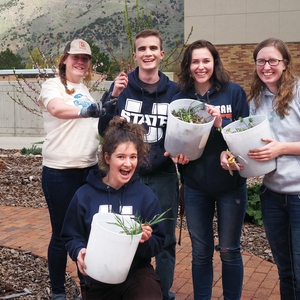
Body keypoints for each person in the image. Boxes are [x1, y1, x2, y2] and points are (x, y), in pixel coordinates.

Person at [98, 29, 179, 300]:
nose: (148, 53)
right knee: (123, 234)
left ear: (161, 54)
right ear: (135, 55)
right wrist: (111, 97)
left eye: (153, 48)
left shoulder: (174, 93)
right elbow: (103, 129)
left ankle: (162, 292)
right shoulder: (121, 87)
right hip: (126, 176)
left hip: (163, 176)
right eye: (142, 49)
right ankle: (124, 287)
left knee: (164, 240)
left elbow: (182, 134)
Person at [172, 40, 249, 300]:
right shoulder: (181, 98)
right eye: (195, 61)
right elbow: (174, 140)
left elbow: (245, 137)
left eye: (206, 60)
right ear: (188, 65)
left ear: (214, 62)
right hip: (195, 186)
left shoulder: (234, 93)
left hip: (231, 186)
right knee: (201, 252)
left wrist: (220, 124)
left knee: (229, 250)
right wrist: (177, 156)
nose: (201, 66)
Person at [61, 116, 165, 300]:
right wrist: (79, 251)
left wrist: (145, 240)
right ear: (107, 158)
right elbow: (71, 235)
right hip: (98, 277)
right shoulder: (84, 195)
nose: (128, 163)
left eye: (133, 157)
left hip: (136, 273)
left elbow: (158, 243)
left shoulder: (145, 196)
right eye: (121, 157)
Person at [38, 39, 111, 300]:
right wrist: (86, 111)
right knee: (61, 235)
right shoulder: (53, 85)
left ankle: (87, 290)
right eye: (75, 57)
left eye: (85, 58)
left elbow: (94, 127)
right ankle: (58, 292)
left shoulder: (85, 90)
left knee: (87, 233)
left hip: (88, 171)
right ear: (65, 59)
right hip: (60, 172)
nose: (80, 62)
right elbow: (56, 108)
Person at [246, 38, 300, 299]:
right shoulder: (256, 100)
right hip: (272, 195)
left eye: (273, 61)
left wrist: (282, 148)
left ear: (285, 63)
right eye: (261, 61)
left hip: (299, 194)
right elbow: (251, 145)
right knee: (285, 271)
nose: (266, 66)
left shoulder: (299, 92)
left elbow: (276, 147)